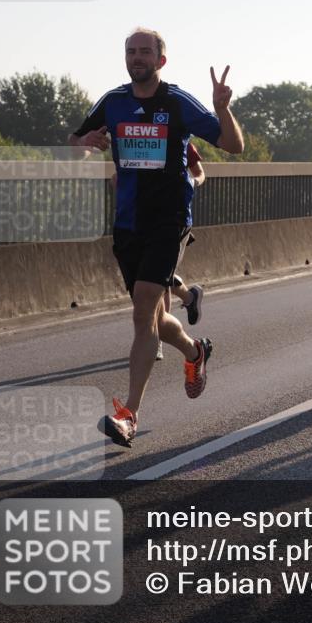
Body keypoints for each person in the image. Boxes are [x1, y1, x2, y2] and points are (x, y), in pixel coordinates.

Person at [70, 27, 244, 447]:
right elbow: (75, 143)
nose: (137, 58)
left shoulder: (177, 101)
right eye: (131, 51)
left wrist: (223, 109)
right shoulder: (113, 102)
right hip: (128, 223)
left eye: (145, 52)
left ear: (160, 60)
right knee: (150, 316)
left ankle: (128, 414)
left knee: (144, 308)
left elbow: (233, 144)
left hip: (169, 221)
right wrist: (87, 143)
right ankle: (194, 351)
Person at [156, 141, 206, 359]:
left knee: (159, 279)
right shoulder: (140, 137)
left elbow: (200, 174)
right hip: (143, 219)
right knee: (152, 275)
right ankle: (189, 296)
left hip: (175, 220)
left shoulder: (183, 141)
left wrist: (192, 183)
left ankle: (157, 337)